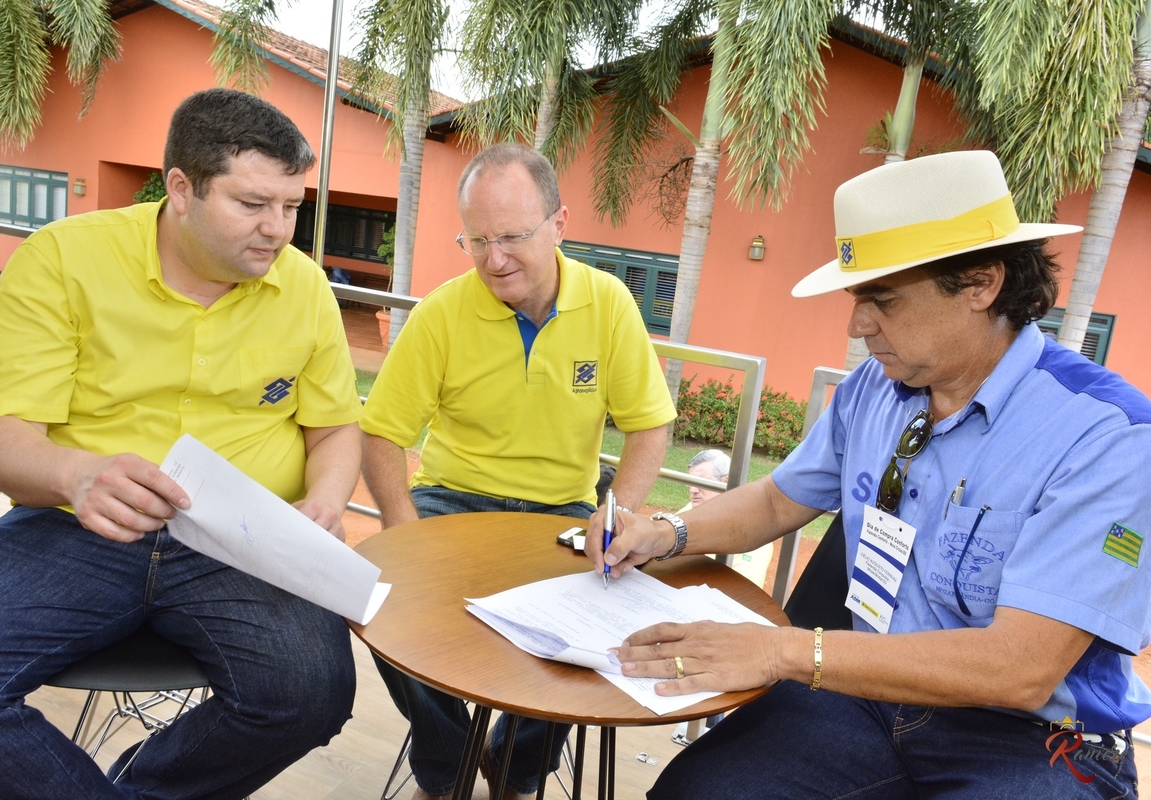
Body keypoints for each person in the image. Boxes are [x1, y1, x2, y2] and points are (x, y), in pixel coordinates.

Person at [591, 150, 1151, 798]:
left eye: (881, 299)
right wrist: (668, 531)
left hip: (1030, 739)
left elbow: (1020, 668)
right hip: (870, 697)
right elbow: (777, 500)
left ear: (979, 283)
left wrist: (783, 651)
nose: (857, 325)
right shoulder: (873, 392)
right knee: (695, 791)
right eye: (859, 298)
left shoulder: (1109, 436)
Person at [0, 89, 363, 799]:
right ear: (181, 187)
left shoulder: (304, 289)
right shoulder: (63, 260)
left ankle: (147, 787)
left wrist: (326, 501)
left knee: (311, 697)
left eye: (293, 206)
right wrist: (78, 475)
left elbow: (334, 429)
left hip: (242, 544)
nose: (279, 230)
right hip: (73, 527)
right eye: (253, 204)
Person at [360, 142, 676, 800]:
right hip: (451, 499)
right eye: (475, 240)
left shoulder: (611, 303)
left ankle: (513, 774)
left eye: (510, 237)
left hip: (560, 510)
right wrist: (403, 528)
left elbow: (650, 423)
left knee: (590, 628)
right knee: (377, 605)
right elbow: (383, 432)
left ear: (558, 224)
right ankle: (447, 770)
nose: (493, 259)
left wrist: (617, 512)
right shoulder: (442, 312)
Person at [679, 449, 773, 587]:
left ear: (726, 482)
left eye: (701, 482)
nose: (693, 490)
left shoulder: (754, 533)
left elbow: (739, 592)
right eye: (691, 482)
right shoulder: (689, 510)